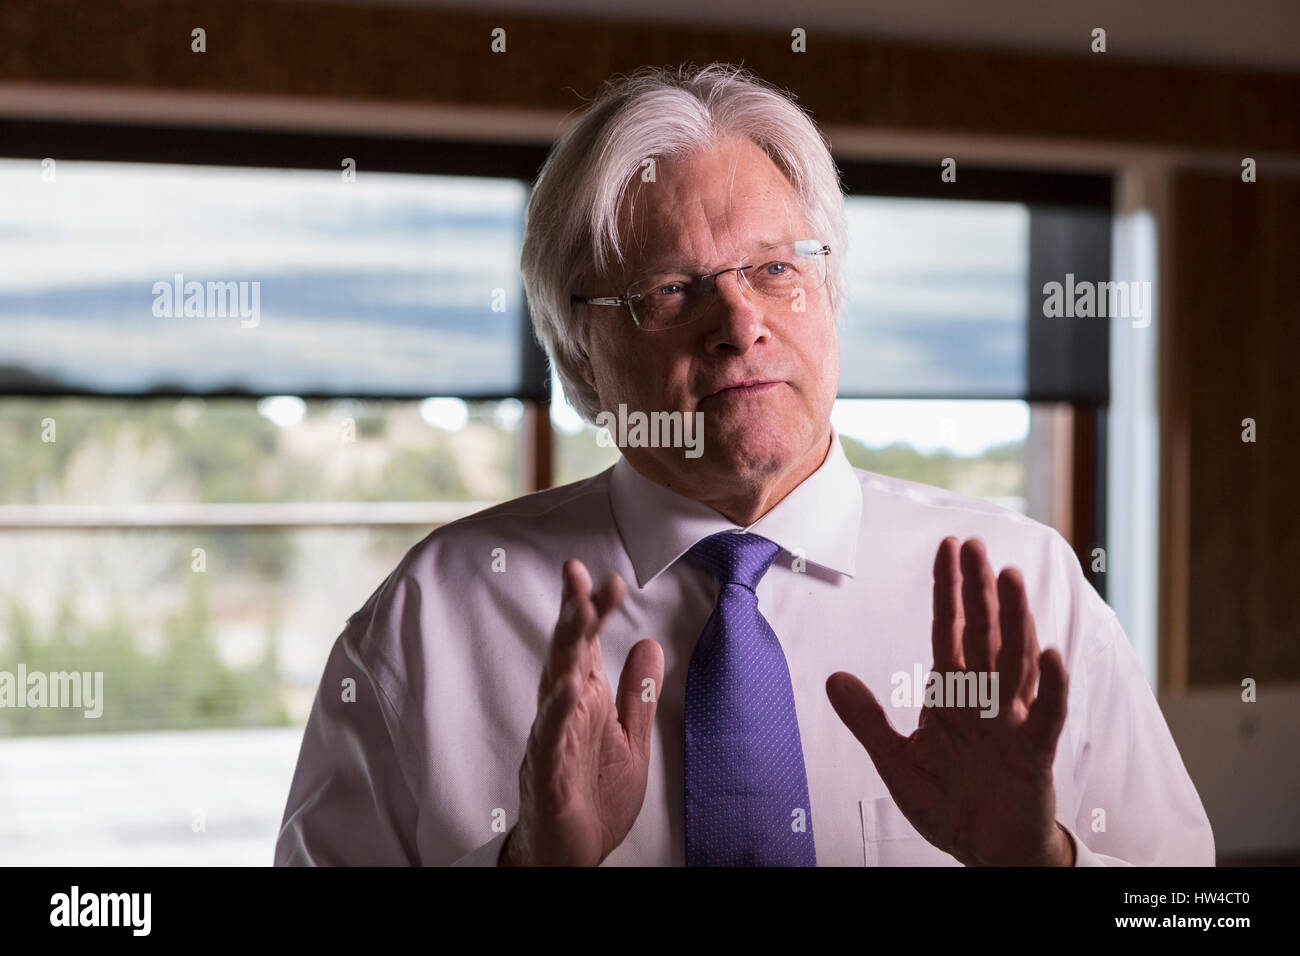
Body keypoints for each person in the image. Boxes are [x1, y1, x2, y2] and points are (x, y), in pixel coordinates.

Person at [274, 63, 1214, 867]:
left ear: (830, 295)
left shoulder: (1029, 584)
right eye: (669, 289)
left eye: (775, 269)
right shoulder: (433, 615)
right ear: (580, 357)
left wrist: (1039, 860)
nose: (738, 324)